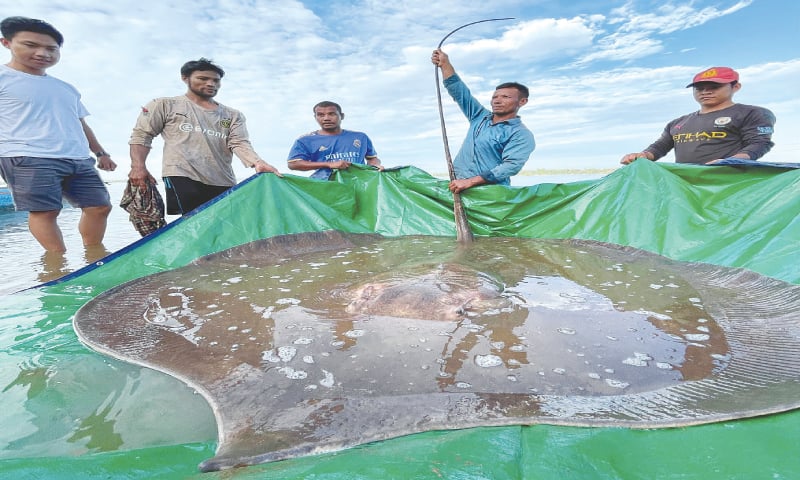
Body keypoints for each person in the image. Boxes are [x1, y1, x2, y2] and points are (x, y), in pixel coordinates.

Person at [0, 16, 117, 253]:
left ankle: (94, 254)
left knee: (99, 206)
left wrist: (101, 153)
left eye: (51, 48)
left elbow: (81, 123)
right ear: (7, 43)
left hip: (77, 157)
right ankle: (57, 262)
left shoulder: (66, 88)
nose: (43, 53)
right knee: (46, 211)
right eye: (31, 45)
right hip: (26, 155)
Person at [128, 57, 281, 215]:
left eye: (216, 80)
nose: (211, 84)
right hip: (181, 173)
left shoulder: (233, 115)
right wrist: (138, 167)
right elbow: (142, 135)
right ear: (185, 78)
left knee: (224, 223)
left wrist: (257, 163)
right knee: (194, 220)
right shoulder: (164, 105)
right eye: (203, 78)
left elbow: (239, 143)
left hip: (222, 179)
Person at [620, 66, 776, 165]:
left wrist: (732, 161)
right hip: (685, 185)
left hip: (729, 182)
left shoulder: (751, 113)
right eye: (699, 88)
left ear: (735, 87)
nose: (705, 92)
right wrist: (642, 156)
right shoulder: (677, 123)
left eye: (714, 87)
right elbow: (659, 147)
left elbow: (759, 143)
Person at [431, 49, 535, 193]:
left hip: (491, 194)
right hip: (457, 188)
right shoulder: (479, 117)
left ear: (522, 102)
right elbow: (458, 90)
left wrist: (470, 182)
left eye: (505, 97)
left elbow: (511, 166)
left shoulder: (521, 134)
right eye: (495, 97)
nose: (497, 101)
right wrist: (445, 64)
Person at [287, 101, 382, 180]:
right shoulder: (305, 140)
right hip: (325, 186)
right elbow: (293, 164)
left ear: (342, 116)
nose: (326, 118)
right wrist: (329, 164)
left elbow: (372, 158)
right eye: (321, 115)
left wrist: (374, 166)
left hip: (360, 184)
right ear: (315, 117)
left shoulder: (360, 137)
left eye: (331, 114)